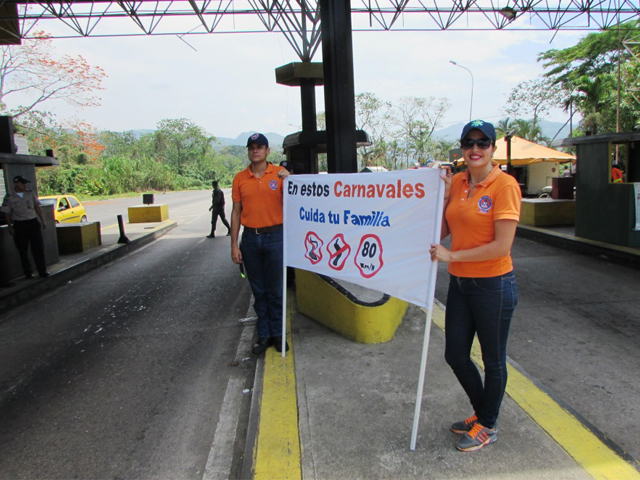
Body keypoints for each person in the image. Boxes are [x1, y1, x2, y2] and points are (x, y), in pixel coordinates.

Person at [429, 120, 521, 453]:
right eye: (469, 143)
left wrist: (452, 254)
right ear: (462, 149)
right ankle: (483, 414)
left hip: (493, 285)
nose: (475, 149)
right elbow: (438, 230)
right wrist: (436, 193)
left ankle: (488, 425)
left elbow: (502, 246)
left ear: (493, 148)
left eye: (483, 143)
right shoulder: (456, 181)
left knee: (493, 360)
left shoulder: (505, 185)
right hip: (461, 283)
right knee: (454, 353)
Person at [231, 133, 289, 355]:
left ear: (267, 151)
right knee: (259, 291)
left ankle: (278, 334)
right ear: (248, 151)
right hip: (250, 239)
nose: (255, 150)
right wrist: (234, 245)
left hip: (276, 237)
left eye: (260, 147)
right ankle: (263, 335)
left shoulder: (280, 175)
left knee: (275, 291)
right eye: (251, 147)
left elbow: (295, 199)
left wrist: (289, 179)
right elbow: (236, 213)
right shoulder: (239, 179)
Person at [1, 175, 50, 279]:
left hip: (32, 222)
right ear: (16, 183)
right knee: (23, 250)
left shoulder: (30, 193)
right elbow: (7, 213)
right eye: (22, 183)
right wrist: (10, 227)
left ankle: (42, 270)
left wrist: (43, 220)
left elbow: (37, 206)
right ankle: (28, 272)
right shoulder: (9, 197)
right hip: (19, 224)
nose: (25, 185)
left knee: (38, 248)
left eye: (25, 183)